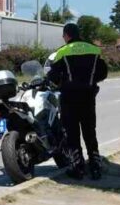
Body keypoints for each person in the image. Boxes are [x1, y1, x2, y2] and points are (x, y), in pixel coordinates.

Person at [46, 22, 108, 180]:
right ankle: (95, 166)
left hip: (69, 98)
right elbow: (103, 72)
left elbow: (52, 76)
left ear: (66, 35)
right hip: (88, 97)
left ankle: (78, 167)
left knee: (72, 135)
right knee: (90, 133)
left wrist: (61, 83)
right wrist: (91, 81)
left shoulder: (63, 52)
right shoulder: (93, 49)